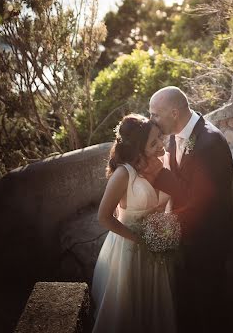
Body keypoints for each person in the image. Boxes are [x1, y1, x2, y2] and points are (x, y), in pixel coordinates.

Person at [146, 86, 233, 333]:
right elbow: (180, 184)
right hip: (187, 239)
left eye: (155, 114)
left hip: (209, 241)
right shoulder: (175, 136)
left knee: (211, 306)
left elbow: (204, 202)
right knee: (190, 307)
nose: (151, 120)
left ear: (174, 112)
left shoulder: (210, 142)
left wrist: (159, 228)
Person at [91, 113, 177, 333]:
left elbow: (171, 199)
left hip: (158, 248)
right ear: (139, 149)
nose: (161, 146)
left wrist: (166, 226)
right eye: (153, 143)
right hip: (128, 251)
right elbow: (104, 217)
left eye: (160, 137)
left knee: (155, 307)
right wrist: (140, 240)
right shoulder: (123, 175)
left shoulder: (165, 160)